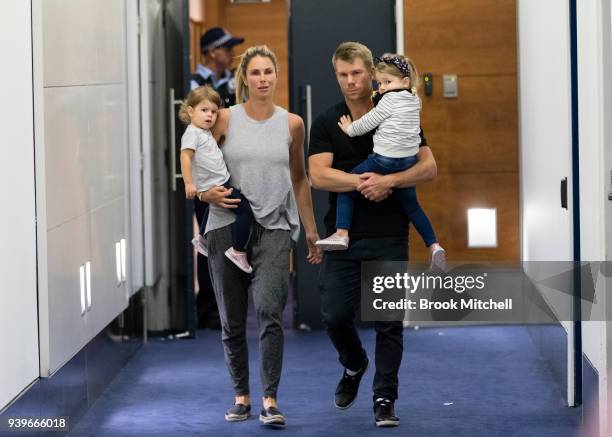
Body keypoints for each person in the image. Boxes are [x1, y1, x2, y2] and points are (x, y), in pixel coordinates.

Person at [308, 42, 438, 428]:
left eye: (357, 74)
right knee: (335, 316)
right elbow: (318, 175)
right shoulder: (328, 121)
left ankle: (385, 398)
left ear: (372, 75)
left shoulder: (398, 110)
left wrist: (391, 181)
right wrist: (366, 181)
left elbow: (429, 168)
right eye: (343, 75)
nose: (351, 82)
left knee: (388, 321)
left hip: (389, 233)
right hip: (343, 236)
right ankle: (354, 364)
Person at [200, 45, 322, 427]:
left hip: (274, 226)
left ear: (276, 74)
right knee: (232, 319)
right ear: (245, 78)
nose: (263, 78)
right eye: (255, 72)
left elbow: (300, 178)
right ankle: (242, 396)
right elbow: (196, 161)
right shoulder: (222, 119)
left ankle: (270, 399)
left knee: (270, 309)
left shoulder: (292, 124)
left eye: (268, 71)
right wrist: (204, 192)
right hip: (226, 226)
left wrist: (312, 232)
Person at [315, 53, 446, 270]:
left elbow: (366, 124)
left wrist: (349, 128)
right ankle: (433, 245)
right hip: (407, 162)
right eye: (382, 83)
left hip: (383, 162)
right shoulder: (414, 101)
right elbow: (318, 177)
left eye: (387, 82)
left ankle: (341, 233)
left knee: (347, 185)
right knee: (413, 206)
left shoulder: (387, 101)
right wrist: (395, 180)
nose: (383, 87)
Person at [189, 27, 245, 329]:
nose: (230, 53)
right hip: (206, 175)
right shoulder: (195, 84)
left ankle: (229, 304)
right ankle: (208, 309)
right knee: (211, 240)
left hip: (234, 170)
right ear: (211, 51)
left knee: (235, 238)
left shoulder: (233, 82)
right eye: (226, 48)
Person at [179, 85, 254, 273]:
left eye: (213, 111)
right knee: (246, 212)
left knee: (212, 209)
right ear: (190, 111)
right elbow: (185, 157)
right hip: (216, 184)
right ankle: (238, 250)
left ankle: (202, 239)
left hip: (219, 180)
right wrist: (189, 183)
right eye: (204, 110)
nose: (210, 115)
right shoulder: (192, 134)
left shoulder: (203, 132)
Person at [191, 27, 245, 107]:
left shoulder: (234, 77)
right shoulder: (194, 83)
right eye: (228, 49)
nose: (233, 54)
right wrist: (227, 90)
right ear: (212, 52)